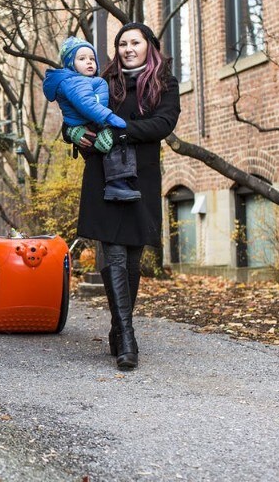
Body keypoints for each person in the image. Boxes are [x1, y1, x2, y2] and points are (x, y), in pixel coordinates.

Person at [71, 22, 181, 370]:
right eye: (122, 43)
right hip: (104, 176)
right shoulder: (103, 81)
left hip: (140, 178)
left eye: (135, 42)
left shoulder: (164, 83)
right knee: (114, 254)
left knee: (132, 258)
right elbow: (75, 112)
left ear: (149, 46)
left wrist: (119, 133)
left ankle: (118, 327)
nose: (128, 48)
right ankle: (128, 336)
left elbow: (163, 124)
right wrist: (73, 133)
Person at [43, 36, 141, 202]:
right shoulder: (77, 82)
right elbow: (86, 105)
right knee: (112, 151)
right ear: (71, 64)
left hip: (95, 124)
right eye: (82, 59)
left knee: (112, 150)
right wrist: (108, 119)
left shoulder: (89, 80)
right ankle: (117, 184)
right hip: (92, 125)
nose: (89, 62)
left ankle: (117, 184)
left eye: (92, 59)